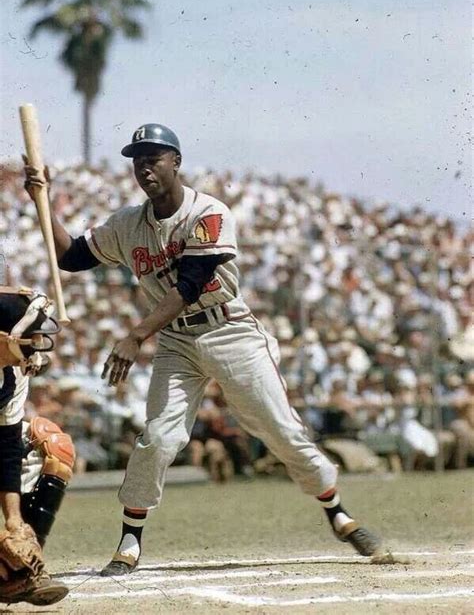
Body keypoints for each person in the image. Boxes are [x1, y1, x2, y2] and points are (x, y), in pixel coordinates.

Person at [24, 123, 381, 576]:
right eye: (137, 159)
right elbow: (70, 256)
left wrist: (135, 335)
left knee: (278, 428)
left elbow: (191, 285)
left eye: (154, 158)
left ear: (176, 162)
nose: (144, 168)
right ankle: (130, 541)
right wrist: (44, 201)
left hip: (228, 330)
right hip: (175, 339)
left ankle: (337, 511)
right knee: (158, 436)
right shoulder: (127, 223)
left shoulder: (208, 212)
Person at [0, 282, 73, 605]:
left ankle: (18, 573)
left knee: (50, 444)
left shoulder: (13, 375)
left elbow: (7, 449)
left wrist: (14, 522)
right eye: (30, 338)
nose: (38, 346)